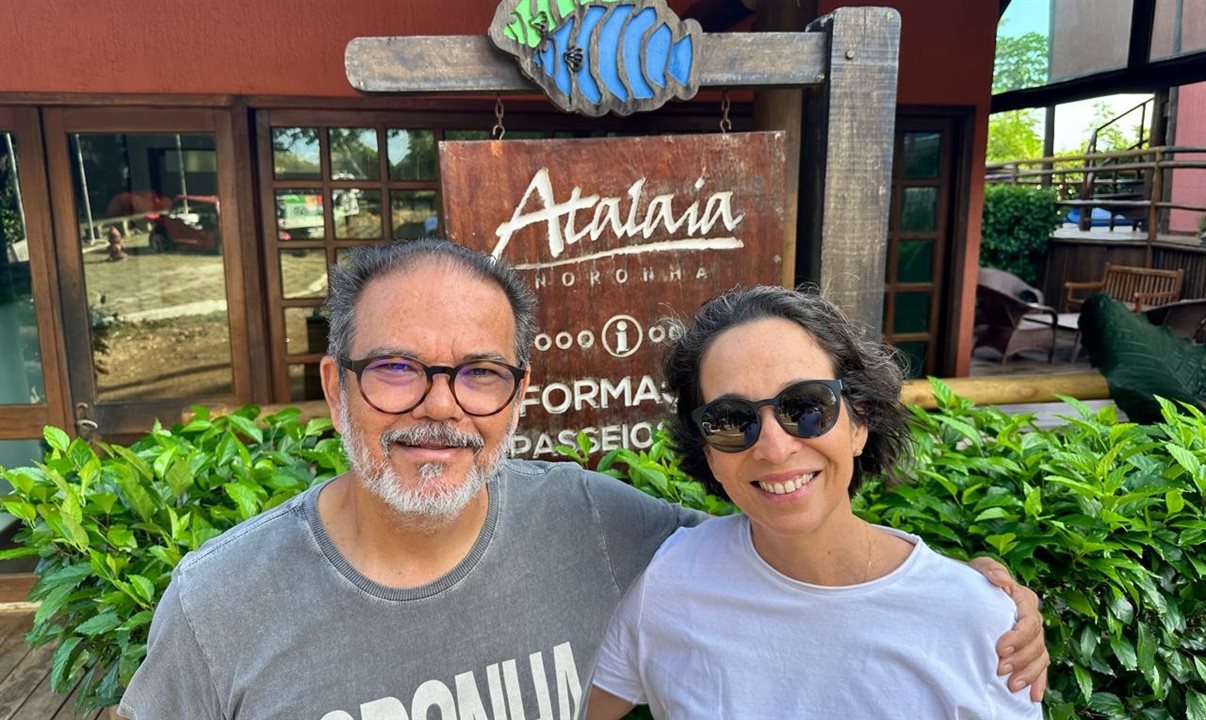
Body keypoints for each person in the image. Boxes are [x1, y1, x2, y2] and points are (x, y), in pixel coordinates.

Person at [118, 240, 1046, 719]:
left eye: (480, 372)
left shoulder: (601, 529)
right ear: (334, 385)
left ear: (519, 395)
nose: (440, 409)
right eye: (396, 368)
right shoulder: (222, 602)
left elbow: (787, 525)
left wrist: (970, 594)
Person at [589, 285, 1047, 719]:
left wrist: (983, 601)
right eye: (730, 419)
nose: (774, 447)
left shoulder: (978, 620)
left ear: (859, 422)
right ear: (707, 451)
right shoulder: (669, 584)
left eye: (806, 407)